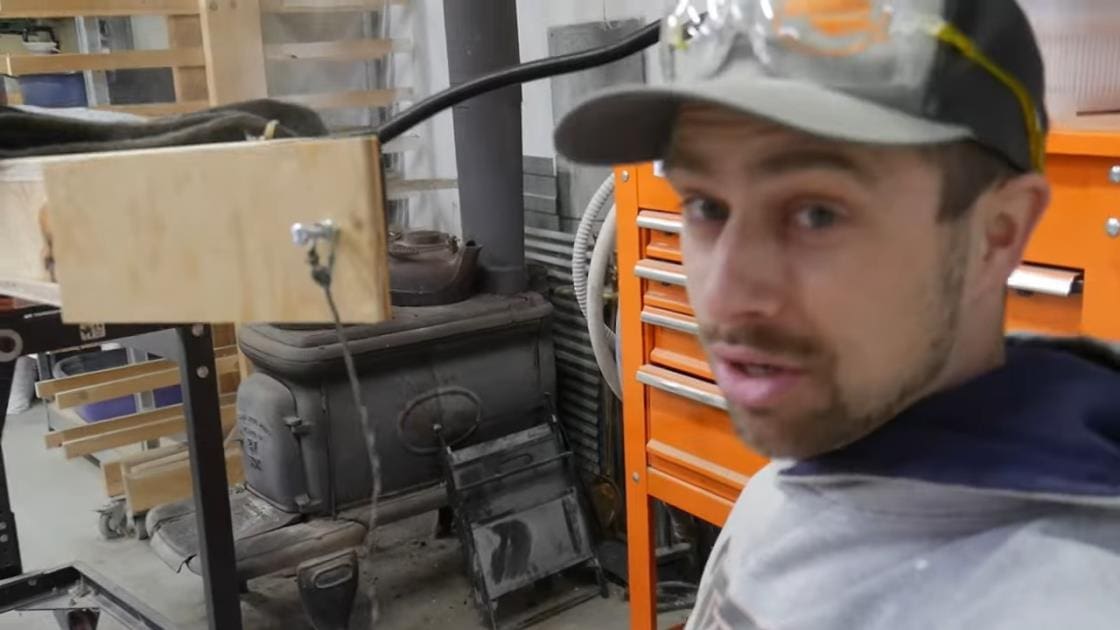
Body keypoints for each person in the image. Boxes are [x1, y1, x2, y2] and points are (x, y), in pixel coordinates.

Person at [554, 1, 1120, 628]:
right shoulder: (808, 466)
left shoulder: (1072, 600)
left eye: (816, 213)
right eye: (706, 205)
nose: (725, 291)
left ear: (997, 233)